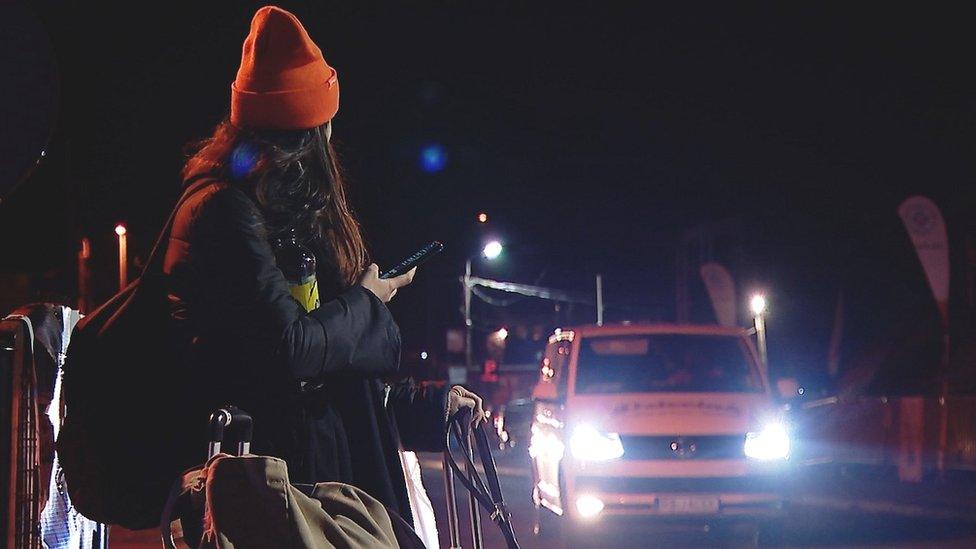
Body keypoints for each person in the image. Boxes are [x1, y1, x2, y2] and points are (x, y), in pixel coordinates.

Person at [163, 5, 484, 531]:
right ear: (310, 129)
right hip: (272, 498)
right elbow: (289, 352)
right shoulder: (225, 212)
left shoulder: (276, 211)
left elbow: (332, 379)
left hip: (307, 490)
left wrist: (428, 405)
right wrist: (368, 299)